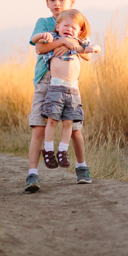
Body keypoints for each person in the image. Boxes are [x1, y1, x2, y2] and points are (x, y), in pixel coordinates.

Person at [25, 0, 91, 193]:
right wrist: (63, 42)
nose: (57, 3)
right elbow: (39, 48)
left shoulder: (75, 22)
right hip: (45, 81)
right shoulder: (44, 23)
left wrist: (75, 44)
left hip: (68, 84)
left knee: (74, 129)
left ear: (72, 1)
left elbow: (88, 54)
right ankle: (32, 173)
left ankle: (81, 167)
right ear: (46, 2)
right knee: (39, 127)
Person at [31, 9, 100, 172]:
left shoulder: (79, 42)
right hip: (55, 87)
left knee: (69, 122)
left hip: (73, 90)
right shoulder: (54, 37)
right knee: (52, 120)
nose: (69, 29)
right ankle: (48, 150)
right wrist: (43, 35)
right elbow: (36, 43)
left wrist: (92, 48)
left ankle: (62, 150)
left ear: (79, 31)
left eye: (74, 27)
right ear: (57, 26)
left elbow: (94, 49)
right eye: (66, 26)